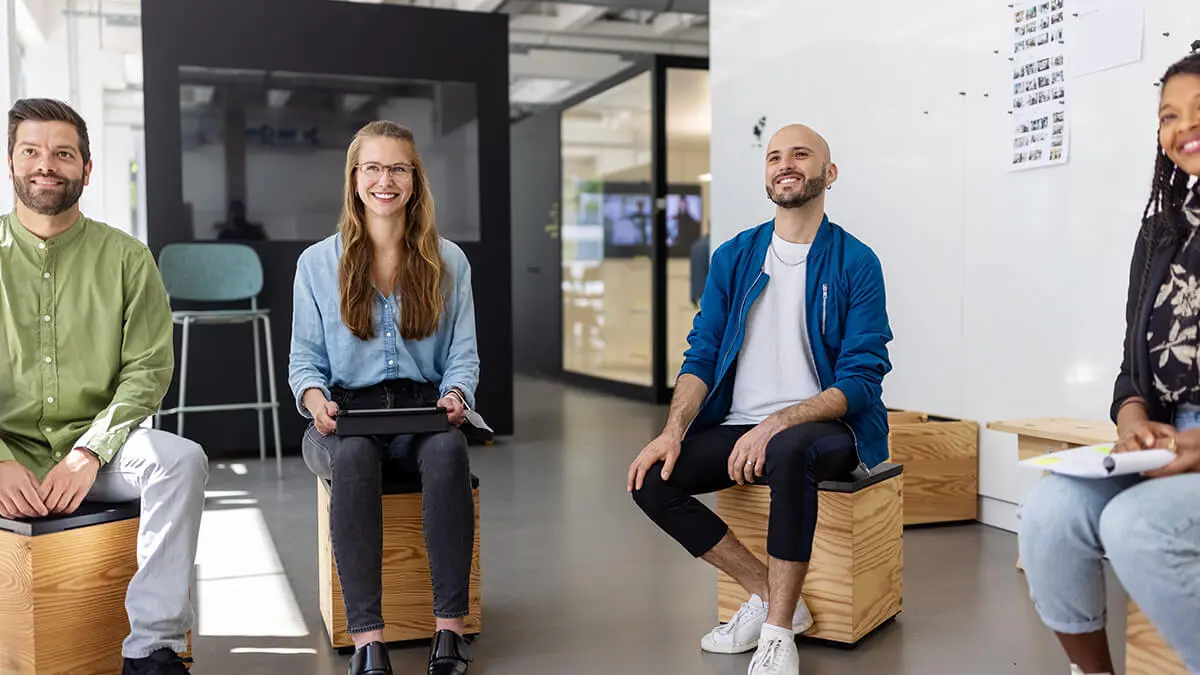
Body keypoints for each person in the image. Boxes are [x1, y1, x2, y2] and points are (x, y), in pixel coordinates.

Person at [628, 124, 893, 675]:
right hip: (739, 425)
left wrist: (780, 421)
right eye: (774, 156)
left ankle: (775, 633)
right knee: (651, 480)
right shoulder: (734, 256)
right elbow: (701, 355)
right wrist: (673, 430)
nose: (785, 164)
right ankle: (779, 601)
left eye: (801, 154)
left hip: (829, 430)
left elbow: (863, 381)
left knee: (791, 449)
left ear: (830, 173)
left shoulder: (855, 261)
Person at [0, 98, 207, 674]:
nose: (47, 165)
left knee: (180, 460)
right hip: (6, 451)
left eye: (63, 154)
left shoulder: (127, 258)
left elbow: (147, 369)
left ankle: (152, 649)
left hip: (98, 453)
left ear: (86, 169)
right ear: (11, 162)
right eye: (32, 152)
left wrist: (91, 450)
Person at [1017, 51, 1200, 675]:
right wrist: (1132, 419)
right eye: (1169, 115)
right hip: (1166, 437)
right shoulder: (1160, 235)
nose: (1184, 127)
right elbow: (1132, 367)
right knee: (1047, 515)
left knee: (1136, 526)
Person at [289, 121, 479, 675]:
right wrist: (315, 399)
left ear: (415, 181)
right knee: (353, 457)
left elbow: (463, 355)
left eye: (398, 168)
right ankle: (368, 639)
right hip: (345, 416)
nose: (385, 180)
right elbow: (305, 361)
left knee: (447, 451)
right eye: (372, 167)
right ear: (354, 180)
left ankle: (449, 630)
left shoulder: (450, 262)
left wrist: (456, 395)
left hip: (424, 409)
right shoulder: (316, 264)